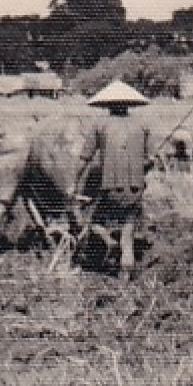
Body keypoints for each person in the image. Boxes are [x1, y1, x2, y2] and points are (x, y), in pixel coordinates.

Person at [83, 80, 153, 275]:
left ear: (108, 104)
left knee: (95, 222)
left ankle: (108, 241)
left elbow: (84, 158)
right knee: (128, 230)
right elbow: (150, 160)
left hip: (110, 187)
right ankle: (126, 274)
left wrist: (74, 184)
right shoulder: (142, 126)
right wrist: (143, 167)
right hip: (135, 188)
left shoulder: (100, 125)